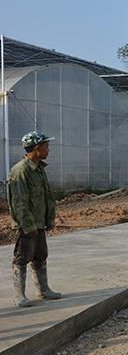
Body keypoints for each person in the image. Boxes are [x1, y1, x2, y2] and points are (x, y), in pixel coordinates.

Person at [8, 131, 61, 307]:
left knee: (40, 255)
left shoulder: (39, 169)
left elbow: (45, 197)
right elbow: (19, 202)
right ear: (37, 148)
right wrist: (28, 225)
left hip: (38, 223)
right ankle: (19, 295)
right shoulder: (20, 171)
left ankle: (43, 289)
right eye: (47, 146)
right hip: (27, 225)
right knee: (22, 257)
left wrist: (49, 220)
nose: (48, 150)